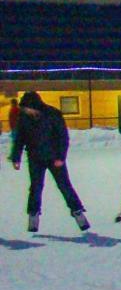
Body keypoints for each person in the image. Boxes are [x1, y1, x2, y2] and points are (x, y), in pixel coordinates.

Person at [9, 91, 90, 232]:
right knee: (35, 187)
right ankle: (33, 216)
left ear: (34, 105)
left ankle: (78, 212)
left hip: (54, 158)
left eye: (27, 107)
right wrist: (16, 157)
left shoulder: (53, 114)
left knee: (64, 186)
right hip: (35, 158)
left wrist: (60, 157)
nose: (25, 110)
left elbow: (63, 137)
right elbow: (20, 139)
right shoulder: (24, 118)